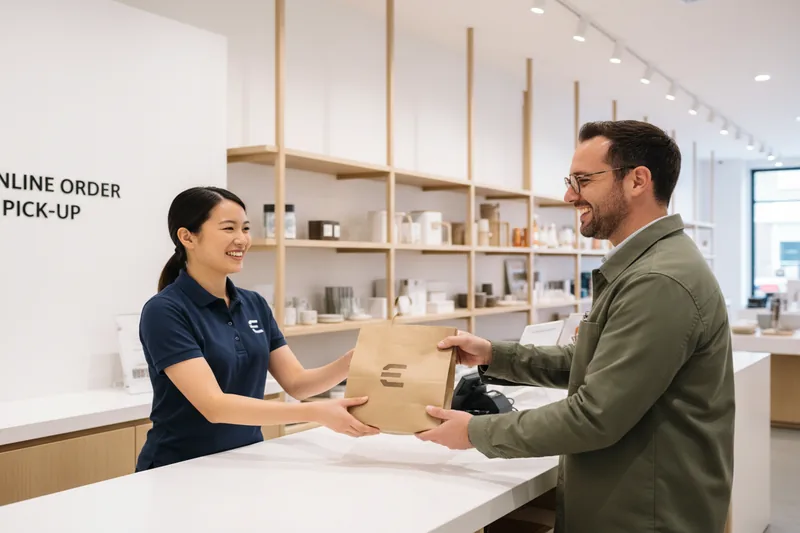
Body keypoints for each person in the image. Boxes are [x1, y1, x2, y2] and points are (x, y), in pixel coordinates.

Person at [416, 120, 734, 533]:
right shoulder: (648, 266)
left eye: (583, 180)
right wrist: (496, 355)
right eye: (571, 181)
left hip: (646, 514)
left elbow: (595, 416)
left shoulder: (658, 280)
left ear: (638, 180)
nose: (569, 195)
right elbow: (596, 366)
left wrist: (476, 431)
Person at [135, 186, 378, 472]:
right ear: (188, 237)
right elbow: (214, 405)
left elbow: (298, 383)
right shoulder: (165, 310)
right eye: (229, 228)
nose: (242, 240)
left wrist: (353, 361)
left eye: (245, 228)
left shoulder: (254, 304)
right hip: (178, 468)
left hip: (244, 461)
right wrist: (316, 412)